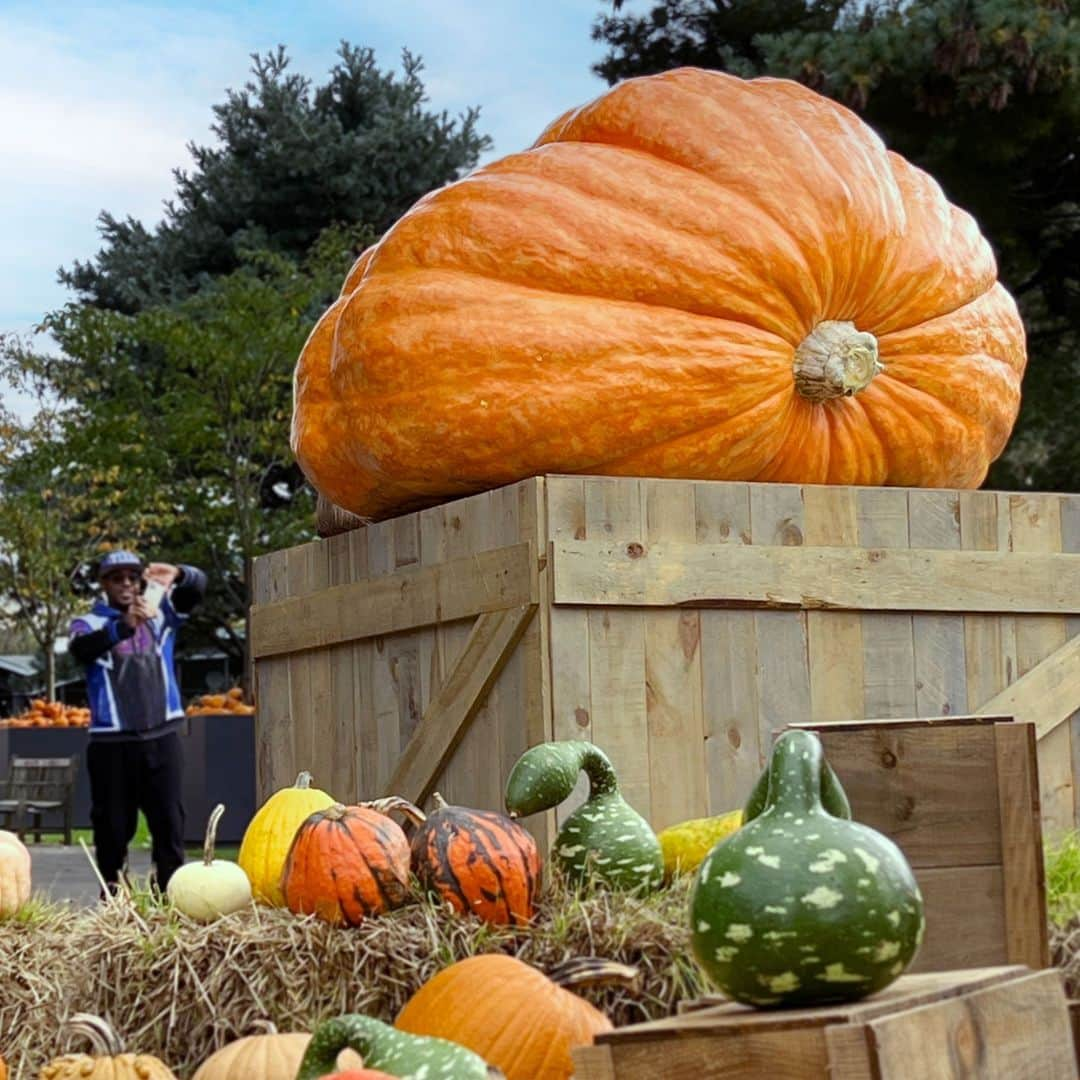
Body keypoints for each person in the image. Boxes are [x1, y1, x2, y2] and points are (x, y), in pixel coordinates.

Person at [69, 550, 207, 895]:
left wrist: (180, 572)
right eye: (117, 578)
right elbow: (82, 650)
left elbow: (197, 589)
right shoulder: (88, 622)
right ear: (105, 585)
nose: (127, 585)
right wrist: (122, 627)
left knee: (169, 825)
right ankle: (114, 901)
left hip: (163, 737)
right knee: (112, 829)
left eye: (133, 577)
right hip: (111, 744)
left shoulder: (161, 615)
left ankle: (171, 902)